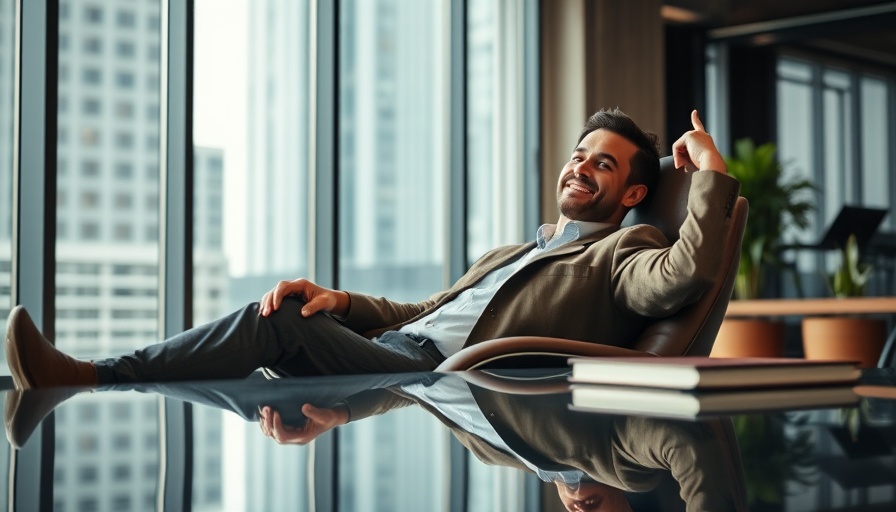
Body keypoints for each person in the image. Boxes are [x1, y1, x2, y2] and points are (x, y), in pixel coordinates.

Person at [5, 108, 737, 390]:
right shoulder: (522, 249)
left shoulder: (624, 248)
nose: (580, 167)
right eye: (579, 154)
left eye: (603, 164)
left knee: (275, 326)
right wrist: (342, 301)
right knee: (293, 317)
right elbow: (425, 310)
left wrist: (710, 173)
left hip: (443, 377)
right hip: (404, 349)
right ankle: (93, 375)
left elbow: (681, 278)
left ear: (635, 194)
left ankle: (87, 375)